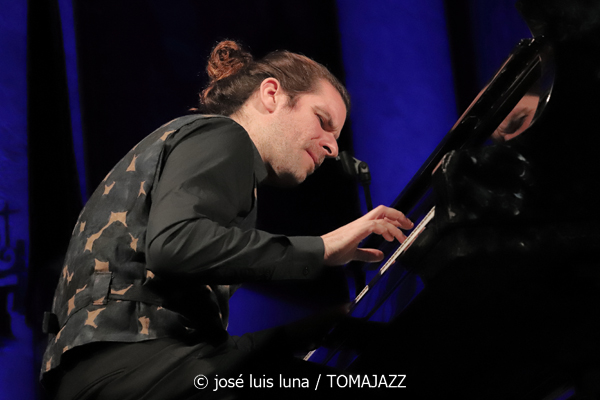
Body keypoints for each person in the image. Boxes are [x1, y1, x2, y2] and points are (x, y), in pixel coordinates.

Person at [40, 40, 413, 399]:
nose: (332, 147)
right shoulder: (224, 134)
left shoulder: (198, 145)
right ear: (272, 94)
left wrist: (322, 326)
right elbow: (175, 247)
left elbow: (212, 352)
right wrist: (321, 249)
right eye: (322, 120)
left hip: (109, 369)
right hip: (130, 362)